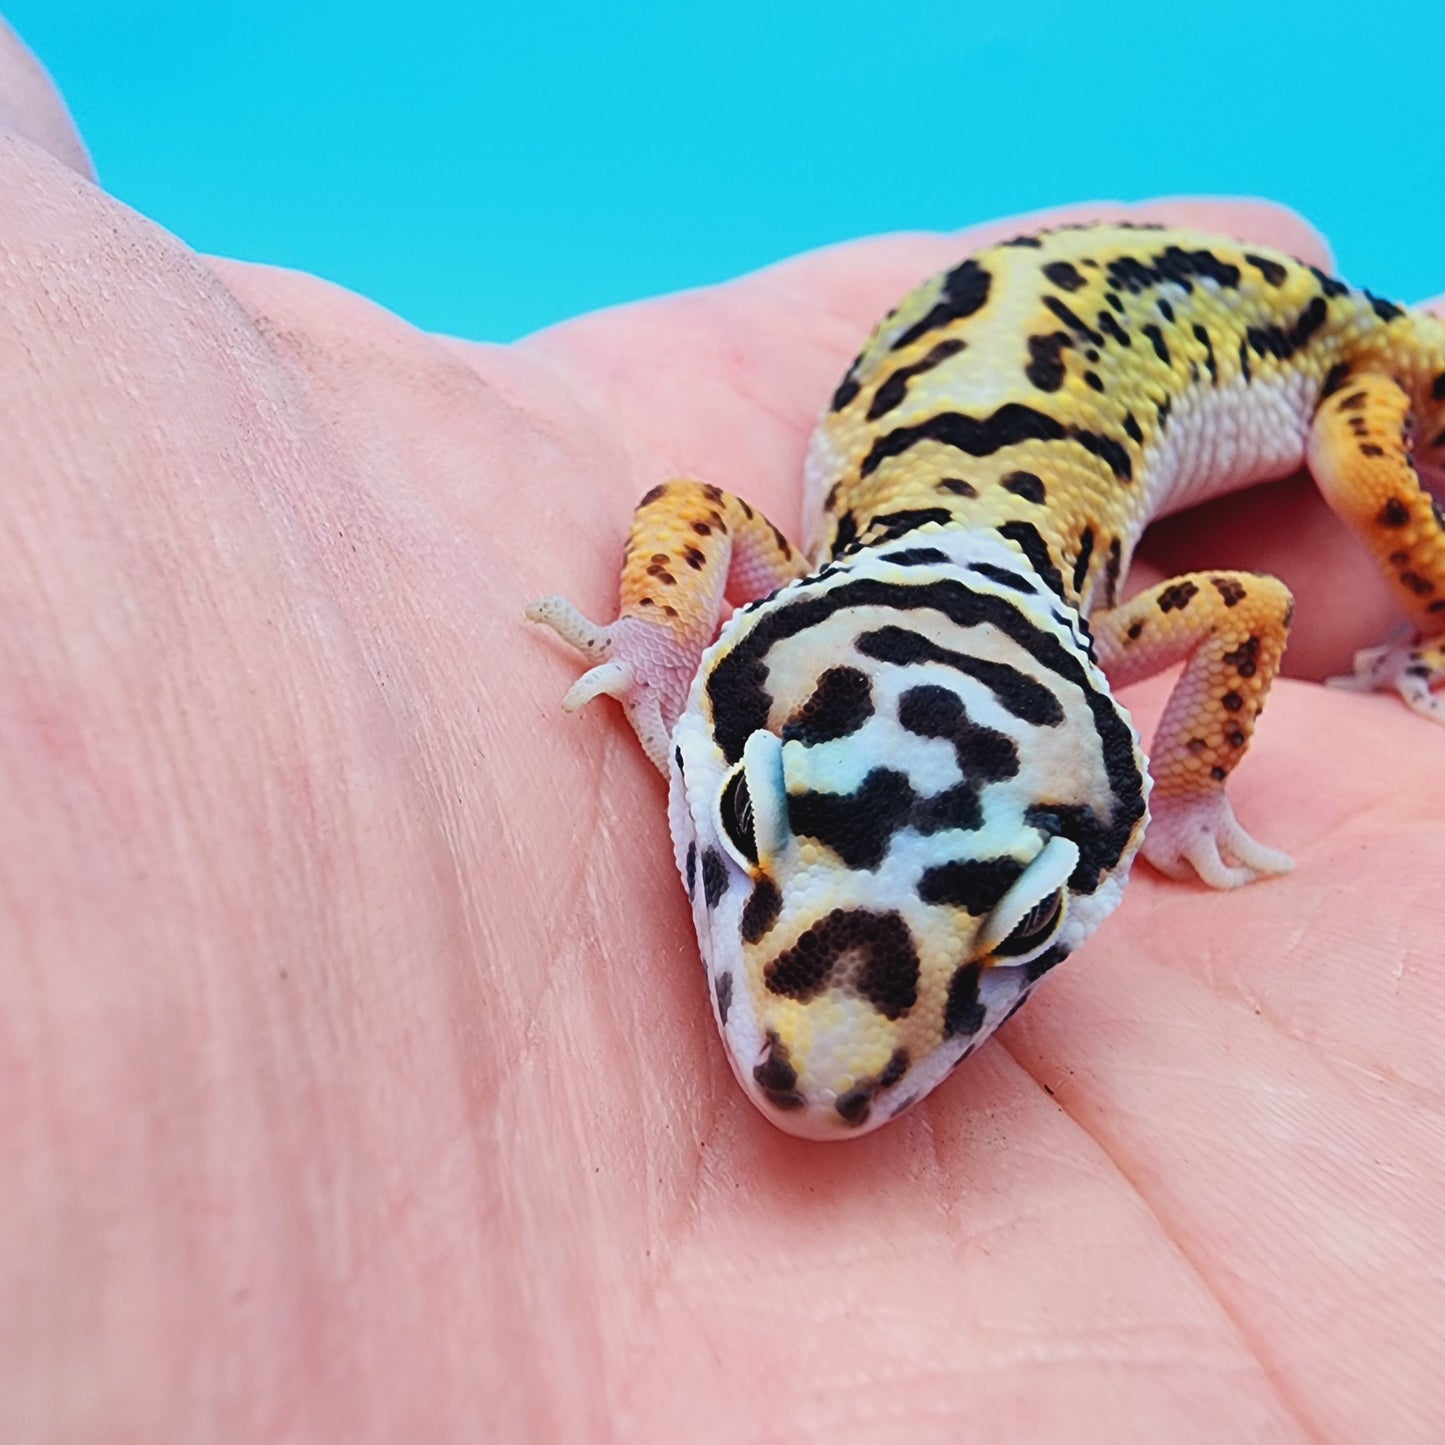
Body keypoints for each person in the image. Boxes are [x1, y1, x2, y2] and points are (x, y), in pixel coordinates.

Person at [0, 18, 1438, 1442]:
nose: (822, 1061)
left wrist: (1185, 785)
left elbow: (1250, 602)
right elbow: (688, 515)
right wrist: (654, 637)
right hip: (1065, 371)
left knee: (1355, 468)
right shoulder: (926, 612)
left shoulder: (1090, 626)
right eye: (762, 839)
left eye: (997, 927)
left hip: (1319, 348)